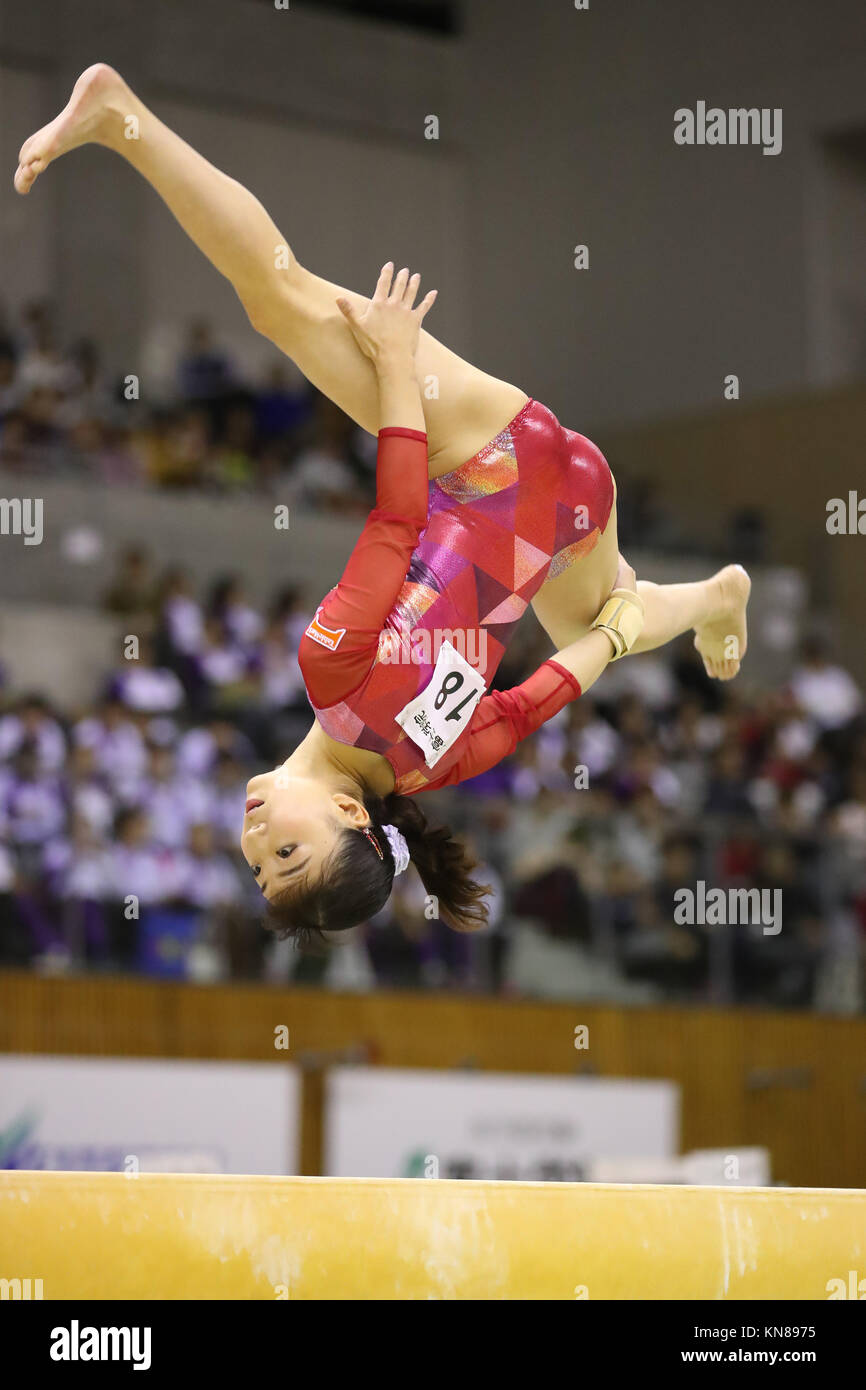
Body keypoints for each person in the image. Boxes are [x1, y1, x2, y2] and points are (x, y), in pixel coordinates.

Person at [14, 64, 751, 938]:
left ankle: (713, 597)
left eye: (258, 869)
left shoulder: (425, 773)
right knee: (280, 300)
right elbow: (397, 515)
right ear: (352, 819)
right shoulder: (331, 679)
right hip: (490, 458)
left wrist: (612, 639)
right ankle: (120, 117)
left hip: (568, 515)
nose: (254, 843)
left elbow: (529, 707)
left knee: (604, 613)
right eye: (286, 854)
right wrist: (398, 363)